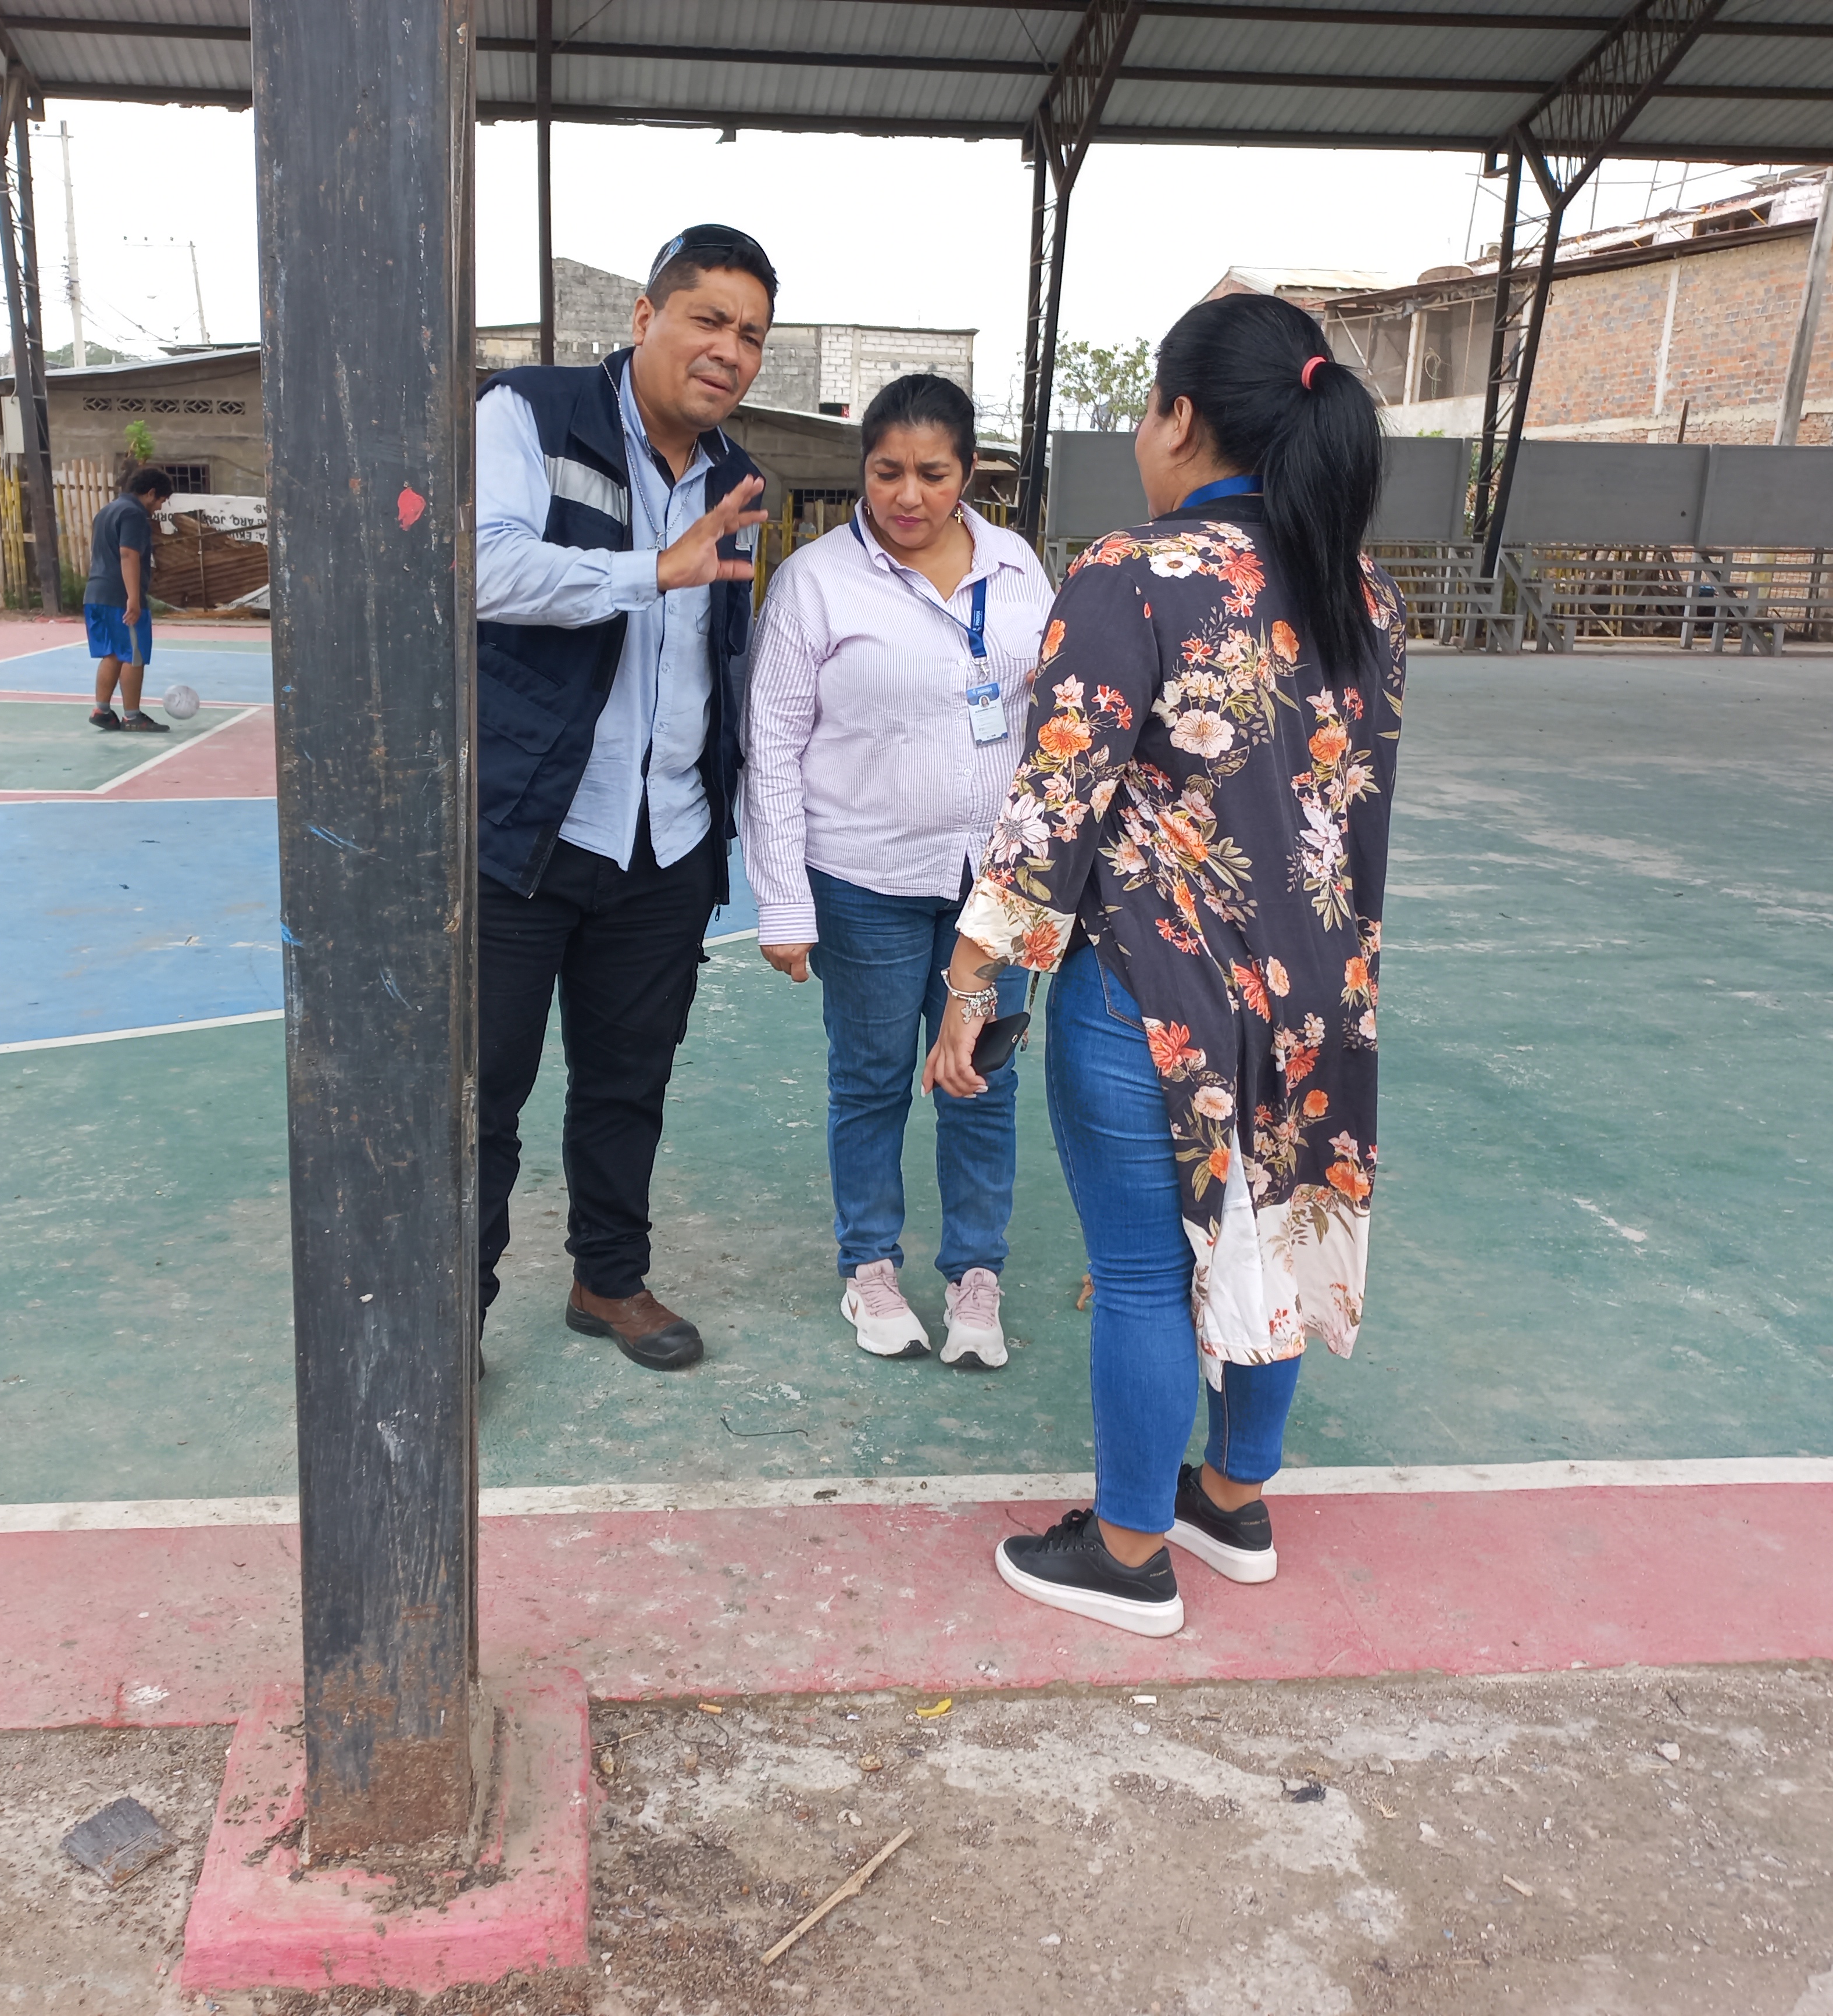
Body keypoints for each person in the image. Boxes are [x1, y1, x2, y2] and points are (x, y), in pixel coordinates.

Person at [924, 292, 1406, 1637]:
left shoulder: (1131, 571)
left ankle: (1130, 1548)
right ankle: (1230, 1498)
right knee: (1272, 1235)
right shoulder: (1362, 589)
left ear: (1180, 417)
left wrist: (971, 977)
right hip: (1315, 1000)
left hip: (1153, 992)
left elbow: (1054, 802)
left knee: (1141, 1272)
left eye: (1147, 407)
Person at [473, 224, 777, 1372]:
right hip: (526, 828)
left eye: (750, 334)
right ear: (645, 317)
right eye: (707, 319)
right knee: (480, 1099)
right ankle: (450, 1322)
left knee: (627, 1082)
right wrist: (647, 569)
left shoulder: (735, 476)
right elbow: (480, 566)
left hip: (665, 842)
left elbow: (717, 659)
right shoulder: (530, 414)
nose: (728, 350)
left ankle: (607, 1279)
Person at [741, 374, 1053, 1368]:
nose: (907, 496)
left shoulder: (1016, 568)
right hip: (863, 879)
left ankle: (975, 1274)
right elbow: (773, 743)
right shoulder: (815, 582)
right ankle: (869, 1266)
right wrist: (783, 902)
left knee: (981, 1079)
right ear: (862, 469)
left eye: (932, 474)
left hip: (992, 886)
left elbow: (1053, 722)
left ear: (969, 474)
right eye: (886, 473)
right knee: (872, 1079)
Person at [85, 466, 174, 733]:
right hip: (120, 596)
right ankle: (132, 717)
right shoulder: (134, 514)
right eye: (161, 501)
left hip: (96, 593)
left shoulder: (106, 511)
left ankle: (102, 710)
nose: (159, 508)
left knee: (112, 653)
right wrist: (133, 599)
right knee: (134, 655)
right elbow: (128, 554)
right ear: (151, 493)